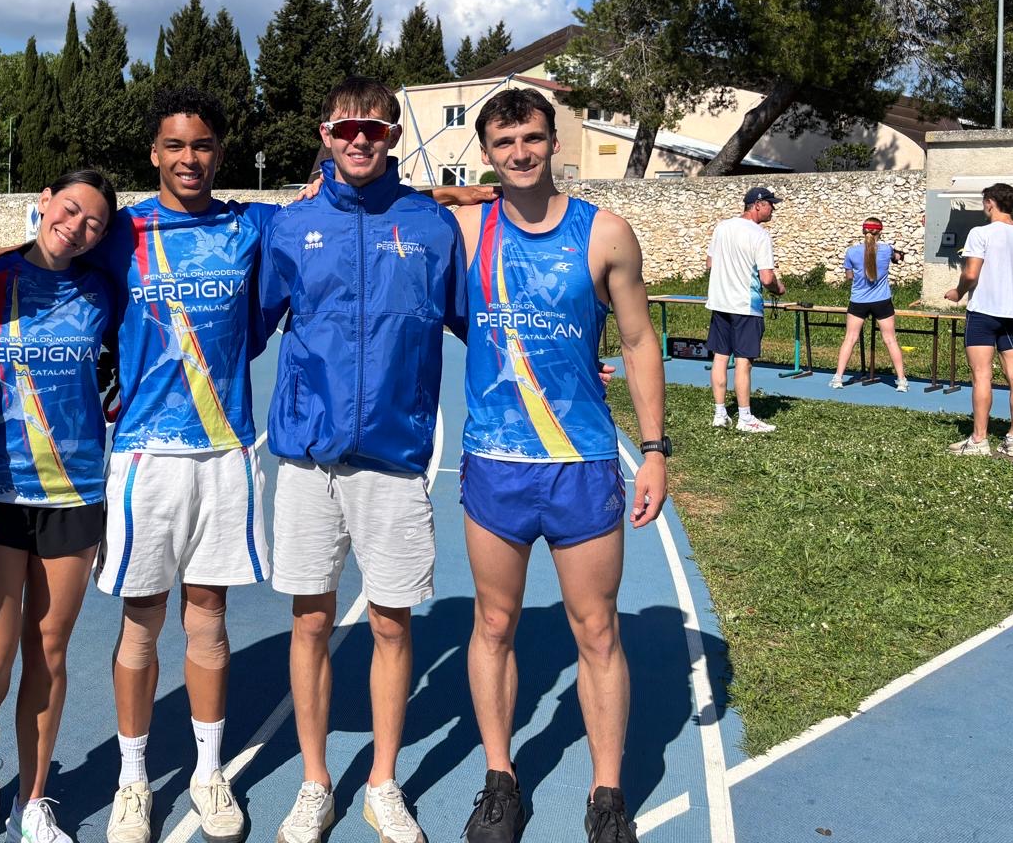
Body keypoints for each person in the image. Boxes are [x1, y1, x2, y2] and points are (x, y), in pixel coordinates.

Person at [454, 89, 667, 843]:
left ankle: (607, 795)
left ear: (553, 141)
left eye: (533, 137)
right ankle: (500, 781)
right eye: (504, 141)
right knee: (493, 623)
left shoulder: (604, 232)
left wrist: (654, 450)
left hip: (580, 461)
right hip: (496, 461)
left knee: (598, 629)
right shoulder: (465, 228)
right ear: (486, 152)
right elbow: (386, 208)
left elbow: (638, 340)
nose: (520, 152)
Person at [257, 77, 466, 843]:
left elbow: (481, 323)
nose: (357, 141)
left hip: (394, 460)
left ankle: (383, 782)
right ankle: (315, 783)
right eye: (344, 129)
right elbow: (241, 326)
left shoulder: (431, 227)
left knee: (390, 626)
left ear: (392, 137)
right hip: (308, 463)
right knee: (310, 621)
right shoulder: (292, 226)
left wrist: (568, 363)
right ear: (324, 134)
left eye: (371, 130)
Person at [83, 87, 280, 843]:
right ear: (154, 153)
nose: (188, 158)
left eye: (201, 145)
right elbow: (35, 255)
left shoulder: (250, 223)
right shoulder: (122, 231)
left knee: (209, 619)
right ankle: (133, 780)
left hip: (225, 451)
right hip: (146, 454)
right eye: (175, 145)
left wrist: (467, 193)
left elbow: (346, 209)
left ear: (220, 152)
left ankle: (207, 771)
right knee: (142, 623)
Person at [0, 170, 119, 843]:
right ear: (43, 203)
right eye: (70, 209)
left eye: (94, 223)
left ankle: (34, 799)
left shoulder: (103, 291)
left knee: (48, 650)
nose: (76, 227)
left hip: (73, 494)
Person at [943, 182, 1013, 458]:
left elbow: (971, 273)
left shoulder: (980, 233)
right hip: (1012, 315)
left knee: (982, 375)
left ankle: (979, 440)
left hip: (983, 313)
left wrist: (957, 292)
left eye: (984, 202)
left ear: (990, 202)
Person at [704, 186, 786, 433]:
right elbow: (767, 278)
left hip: (720, 303)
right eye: (770, 204)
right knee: (743, 362)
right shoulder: (760, 235)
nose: (773, 209)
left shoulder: (722, 227)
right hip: (746, 306)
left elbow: (710, 264)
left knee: (720, 357)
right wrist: (779, 289)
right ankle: (745, 417)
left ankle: (720, 413)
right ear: (758, 205)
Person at [828, 217, 908, 392]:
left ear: (863, 231)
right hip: (882, 301)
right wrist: (898, 256)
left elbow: (849, 277)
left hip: (858, 301)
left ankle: (838, 378)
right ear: (880, 231)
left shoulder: (851, 252)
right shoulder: (887, 249)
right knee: (890, 340)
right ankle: (901, 381)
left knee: (850, 339)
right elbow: (896, 258)